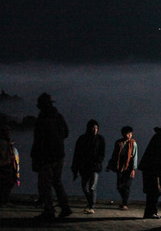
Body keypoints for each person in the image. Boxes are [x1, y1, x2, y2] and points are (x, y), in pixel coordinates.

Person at [30, 93, 72, 221]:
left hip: (46, 156)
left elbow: (38, 140)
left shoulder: (42, 119)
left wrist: (35, 155)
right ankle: (65, 207)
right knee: (57, 182)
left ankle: (49, 210)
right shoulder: (59, 117)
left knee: (45, 184)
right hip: (59, 155)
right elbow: (66, 133)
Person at [72, 119, 106, 214]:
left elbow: (102, 153)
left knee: (92, 187)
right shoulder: (82, 139)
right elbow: (77, 154)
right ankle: (90, 202)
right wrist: (75, 168)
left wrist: (98, 162)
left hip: (95, 167)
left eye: (97, 128)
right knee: (84, 187)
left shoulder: (100, 139)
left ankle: (92, 206)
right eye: (93, 127)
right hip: (84, 166)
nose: (95, 130)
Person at [106, 126, 138, 210]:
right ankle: (124, 201)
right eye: (128, 134)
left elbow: (135, 156)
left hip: (129, 166)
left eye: (131, 134)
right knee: (119, 185)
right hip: (120, 166)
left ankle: (125, 203)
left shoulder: (133, 143)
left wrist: (134, 169)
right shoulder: (119, 142)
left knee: (127, 185)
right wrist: (109, 165)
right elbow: (114, 155)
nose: (129, 136)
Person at [0, 126, 19, 207]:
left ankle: (4, 200)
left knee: (7, 183)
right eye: (7, 132)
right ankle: (3, 201)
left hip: (7, 163)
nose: (9, 134)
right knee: (6, 183)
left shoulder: (5, 142)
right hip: (4, 164)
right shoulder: (2, 142)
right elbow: (1, 154)